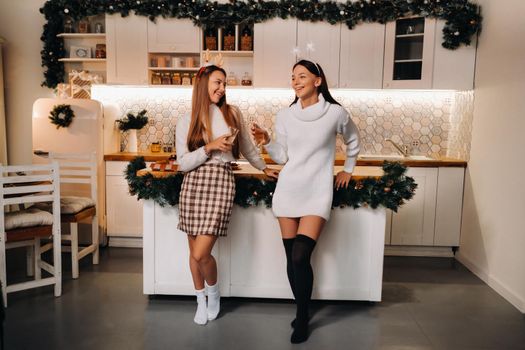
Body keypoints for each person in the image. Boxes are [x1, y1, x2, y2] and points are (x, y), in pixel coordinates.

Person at [251, 60, 360, 343]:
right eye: (293, 77)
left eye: (302, 76)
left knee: (301, 255)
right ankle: (303, 311)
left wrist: (348, 168)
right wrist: (266, 141)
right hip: (289, 188)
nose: (296, 81)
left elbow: (353, 140)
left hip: (317, 190)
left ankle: (302, 316)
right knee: (291, 258)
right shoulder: (285, 115)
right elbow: (282, 157)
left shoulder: (335, 113)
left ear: (317, 81)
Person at [176, 65, 278, 326]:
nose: (222, 89)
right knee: (193, 252)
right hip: (193, 185)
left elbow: (245, 147)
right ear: (203, 84)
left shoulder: (232, 113)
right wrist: (209, 147)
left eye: (224, 84)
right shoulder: (186, 119)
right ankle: (201, 300)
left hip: (220, 182)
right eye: (217, 83)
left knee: (201, 253)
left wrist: (264, 167)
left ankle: (214, 292)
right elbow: (183, 164)